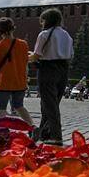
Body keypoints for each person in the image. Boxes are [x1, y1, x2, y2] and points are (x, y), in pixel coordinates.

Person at [30, 8, 73, 145]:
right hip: (63, 69)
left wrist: (27, 56)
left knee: (49, 104)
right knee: (50, 103)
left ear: (46, 20)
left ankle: (56, 135)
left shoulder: (44, 34)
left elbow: (36, 56)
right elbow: (70, 54)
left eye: (42, 20)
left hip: (48, 69)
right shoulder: (66, 35)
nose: (41, 23)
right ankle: (44, 133)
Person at [0, 17, 32, 126]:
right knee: (19, 107)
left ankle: (2, 132)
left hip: (3, 83)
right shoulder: (23, 44)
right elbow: (25, 62)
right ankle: (32, 127)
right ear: (13, 29)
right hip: (20, 82)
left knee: (0, 110)